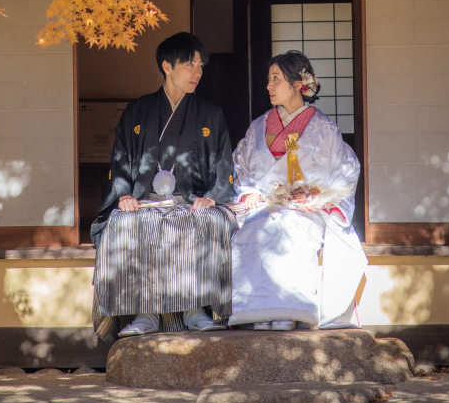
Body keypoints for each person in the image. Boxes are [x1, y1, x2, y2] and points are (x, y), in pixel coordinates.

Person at [91, 32, 237, 339]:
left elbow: (224, 164)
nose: (197, 71)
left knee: (206, 219)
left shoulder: (209, 113)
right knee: (123, 222)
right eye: (189, 64)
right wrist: (124, 196)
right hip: (145, 199)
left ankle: (196, 310)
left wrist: (212, 197)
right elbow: (120, 161)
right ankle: (146, 313)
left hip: (190, 198)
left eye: (200, 65)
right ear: (167, 66)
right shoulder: (138, 111)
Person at [229, 50, 367, 331]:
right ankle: (256, 312)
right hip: (264, 207)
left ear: (297, 84)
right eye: (269, 79)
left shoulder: (325, 130)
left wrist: (318, 199)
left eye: (276, 79)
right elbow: (241, 167)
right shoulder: (258, 127)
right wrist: (249, 193)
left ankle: (292, 310)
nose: (268, 85)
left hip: (307, 212)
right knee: (255, 230)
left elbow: (346, 171)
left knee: (290, 229)